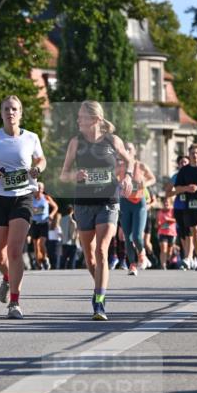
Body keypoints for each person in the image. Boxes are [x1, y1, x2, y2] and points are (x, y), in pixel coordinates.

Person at [59, 100, 133, 321]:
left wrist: (127, 176)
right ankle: (100, 285)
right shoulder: (76, 142)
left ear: (95, 119)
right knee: (90, 257)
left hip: (108, 201)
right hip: (82, 203)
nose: (78, 120)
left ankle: (99, 301)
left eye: (82, 116)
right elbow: (64, 174)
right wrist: (75, 176)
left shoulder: (112, 140)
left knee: (102, 251)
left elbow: (130, 160)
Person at [0, 95, 45, 319]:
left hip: (22, 197)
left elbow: (41, 160)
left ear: (20, 113)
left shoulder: (31, 137)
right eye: (6, 109)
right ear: (2, 113)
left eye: (14, 109)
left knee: (15, 251)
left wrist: (37, 169)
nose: (10, 112)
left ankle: (14, 302)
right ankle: (7, 277)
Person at [118, 142, 156, 276]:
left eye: (129, 148)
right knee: (127, 238)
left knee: (137, 236)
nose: (127, 151)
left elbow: (153, 179)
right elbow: (111, 179)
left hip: (139, 203)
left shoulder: (140, 166)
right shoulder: (120, 166)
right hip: (124, 202)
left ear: (134, 151)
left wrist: (145, 183)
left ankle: (142, 254)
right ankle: (132, 265)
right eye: (125, 149)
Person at [166, 155, 192, 269]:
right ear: (178, 164)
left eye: (185, 162)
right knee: (182, 233)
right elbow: (168, 193)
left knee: (190, 232)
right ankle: (186, 257)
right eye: (181, 162)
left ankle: (190, 257)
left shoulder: (193, 174)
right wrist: (180, 190)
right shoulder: (175, 176)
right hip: (179, 207)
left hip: (191, 207)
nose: (183, 164)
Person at [30, 182, 58, 269]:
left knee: (42, 243)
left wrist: (52, 215)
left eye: (40, 188)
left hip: (44, 223)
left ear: (43, 189)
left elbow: (55, 207)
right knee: (35, 245)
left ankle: (45, 258)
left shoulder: (46, 198)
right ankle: (39, 263)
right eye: (37, 188)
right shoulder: (30, 199)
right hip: (34, 223)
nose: (39, 190)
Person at [156, 194, 177, 269]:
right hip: (162, 232)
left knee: (169, 251)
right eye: (165, 202)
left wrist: (169, 220)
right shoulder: (159, 212)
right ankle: (163, 265)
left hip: (171, 233)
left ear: (170, 203)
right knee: (163, 248)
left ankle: (168, 260)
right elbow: (157, 223)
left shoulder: (173, 211)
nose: (166, 203)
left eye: (167, 202)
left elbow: (176, 220)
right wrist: (158, 224)